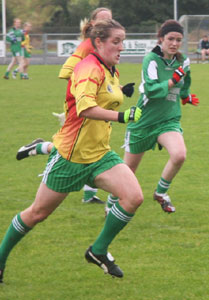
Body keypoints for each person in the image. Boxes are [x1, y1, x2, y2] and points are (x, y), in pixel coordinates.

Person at [0, 19, 143, 284]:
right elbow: (85, 109)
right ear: (98, 42)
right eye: (116, 42)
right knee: (37, 213)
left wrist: (121, 92)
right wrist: (122, 116)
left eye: (123, 41)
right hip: (70, 157)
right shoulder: (88, 68)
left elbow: (107, 94)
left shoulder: (111, 69)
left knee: (133, 197)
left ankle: (98, 251)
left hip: (100, 155)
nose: (121, 47)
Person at [16, 8, 131, 205]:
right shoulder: (88, 46)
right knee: (75, 148)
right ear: (92, 24)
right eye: (102, 20)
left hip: (93, 104)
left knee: (91, 145)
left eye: (110, 20)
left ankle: (87, 194)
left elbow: (102, 78)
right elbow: (67, 70)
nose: (107, 23)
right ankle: (86, 192)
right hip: (81, 106)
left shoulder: (108, 48)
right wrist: (85, 88)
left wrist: (115, 88)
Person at [120, 19, 199, 214]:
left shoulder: (183, 61)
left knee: (179, 154)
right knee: (127, 171)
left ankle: (161, 193)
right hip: (144, 121)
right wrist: (173, 80)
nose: (174, 43)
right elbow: (152, 90)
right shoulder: (151, 60)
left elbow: (185, 80)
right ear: (161, 39)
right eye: (170, 39)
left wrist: (185, 95)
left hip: (168, 120)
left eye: (178, 40)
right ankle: (113, 202)